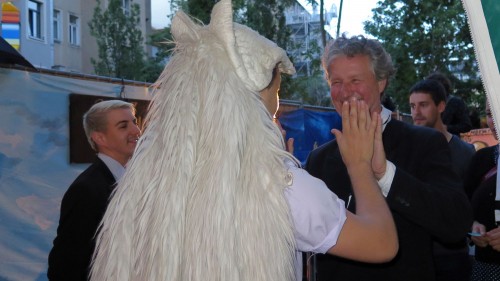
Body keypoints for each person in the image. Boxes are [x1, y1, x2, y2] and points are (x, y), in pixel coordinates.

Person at [89, 1, 398, 280]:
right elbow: (381, 243)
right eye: (275, 92)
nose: (276, 104)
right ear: (253, 93)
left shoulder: (148, 176)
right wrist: (359, 166)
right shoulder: (277, 182)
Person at [305, 34, 473, 281]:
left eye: (355, 80)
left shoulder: (422, 143)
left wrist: (385, 175)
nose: (345, 91)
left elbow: (455, 225)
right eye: (337, 81)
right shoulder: (318, 159)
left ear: (381, 81)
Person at [47, 100, 141, 281]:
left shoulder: (130, 180)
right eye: (123, 126)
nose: (136, 131)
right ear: (100, 138)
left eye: (134, 122)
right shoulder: (86, 190)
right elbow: (66, 266)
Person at [409, 78, 475, 281]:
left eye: (423, 105)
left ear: (441, 106)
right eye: (412, 106)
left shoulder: (465, 152)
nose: (416, 112)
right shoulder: (406, 149)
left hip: (452, 255)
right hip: (413, 254)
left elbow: (470, 202)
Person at [464, 100, 500, 281]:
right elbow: (464, 203)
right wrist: (472, 226)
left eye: (498, 111)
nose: (493, 121)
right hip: (485, 268)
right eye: (489, 114)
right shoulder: (482, 158)